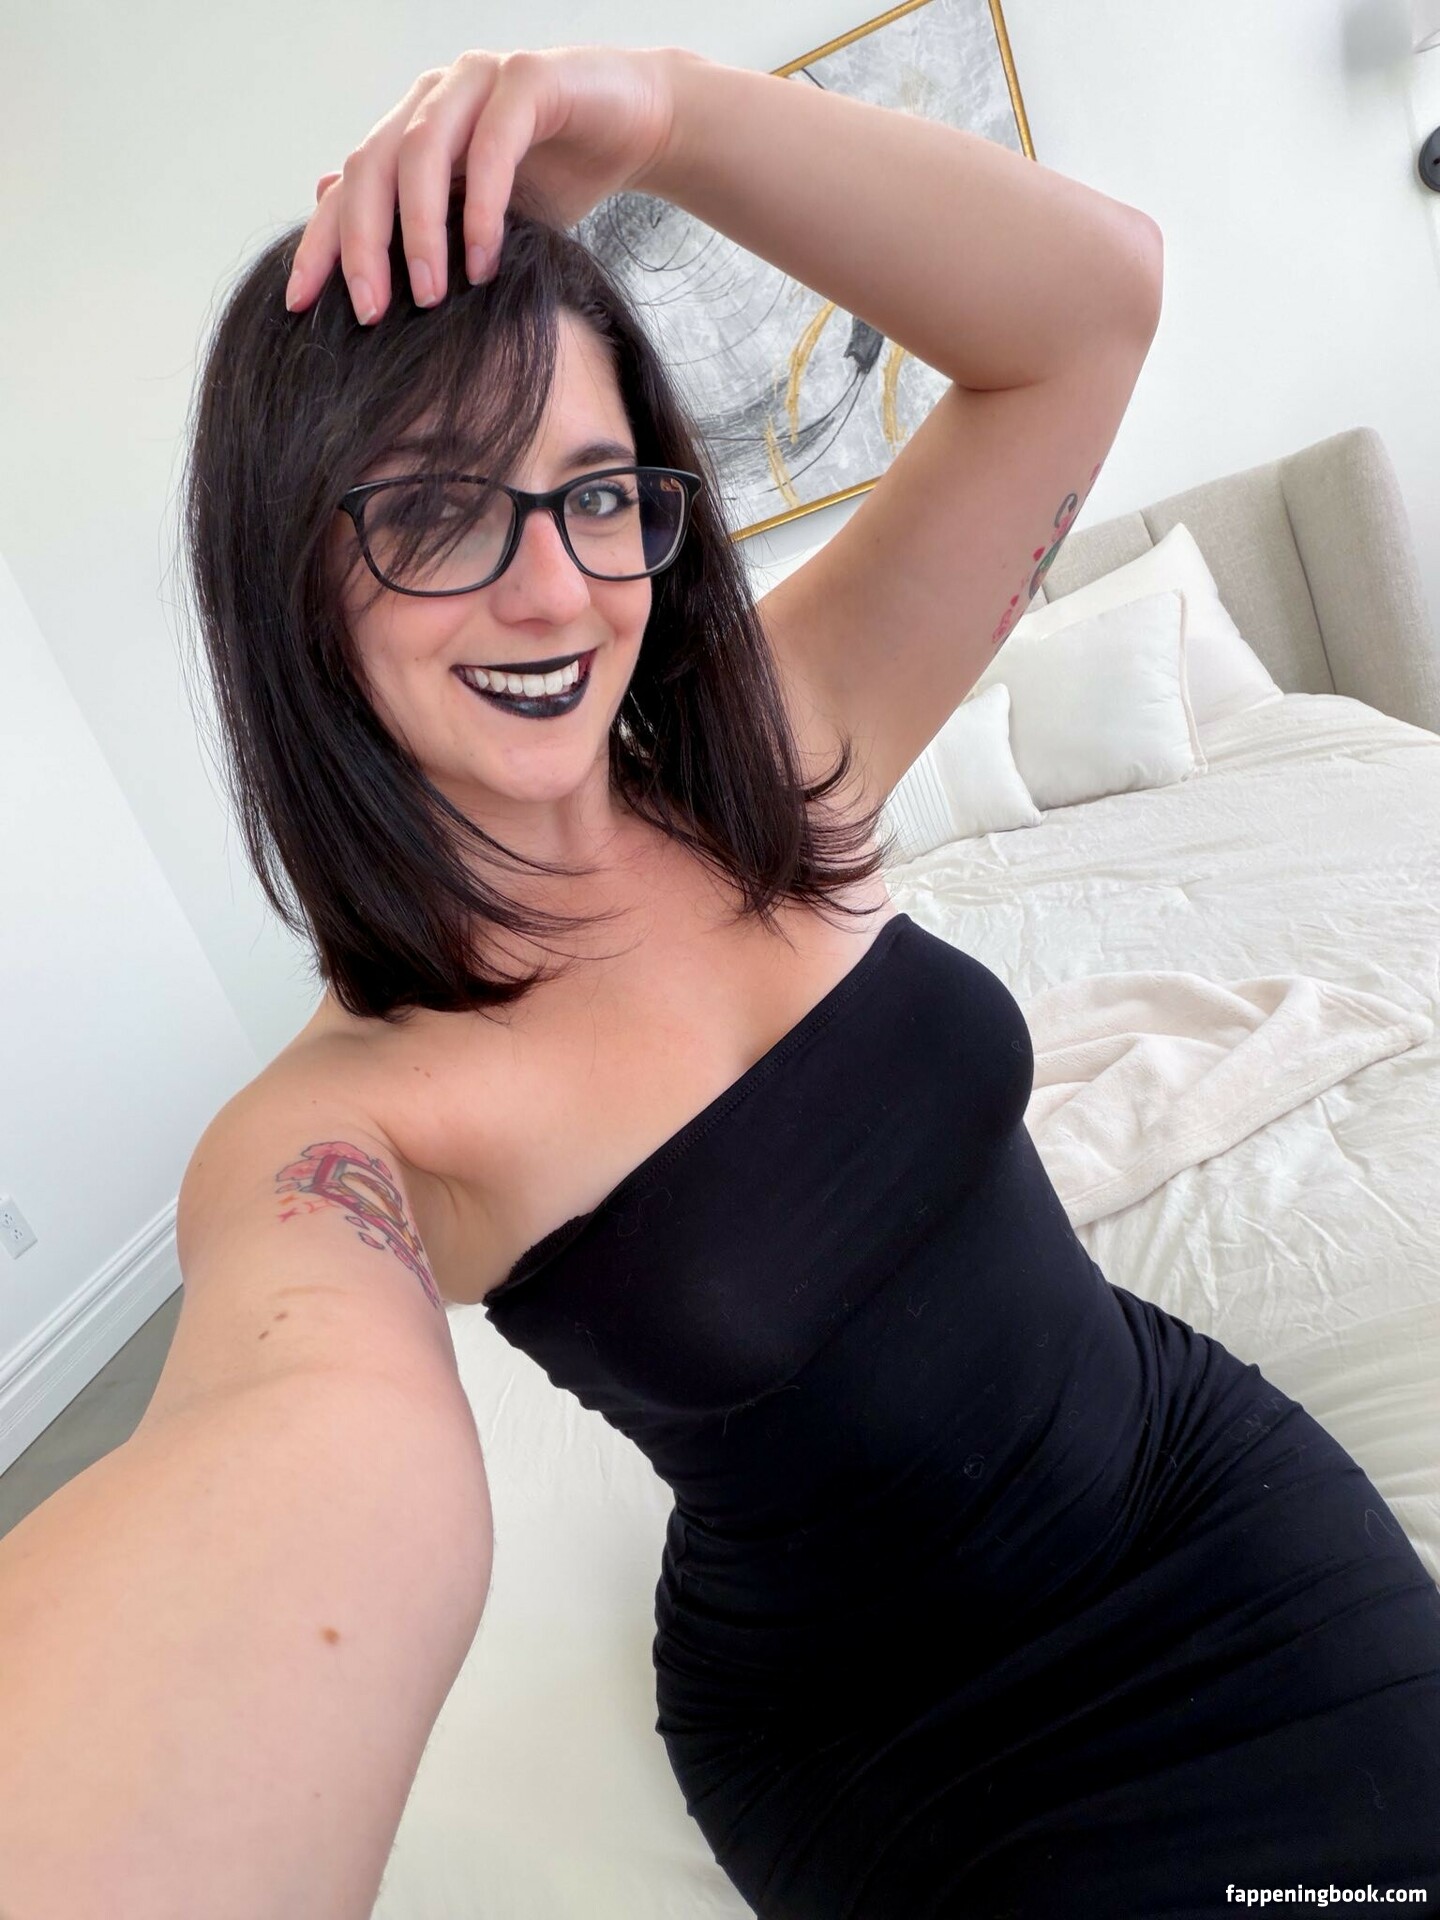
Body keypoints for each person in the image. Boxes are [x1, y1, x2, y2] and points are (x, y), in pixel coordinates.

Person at [1, 39, 1436, 1920]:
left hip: (1185, 1473)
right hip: (896, 1739)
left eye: (597, 491)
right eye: (432, 511)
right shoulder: (346, 1132)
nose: (555, 591)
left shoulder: (779, 754)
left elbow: (1092, 312)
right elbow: (275, 1443)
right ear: (292, 585)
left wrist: (663, 116)